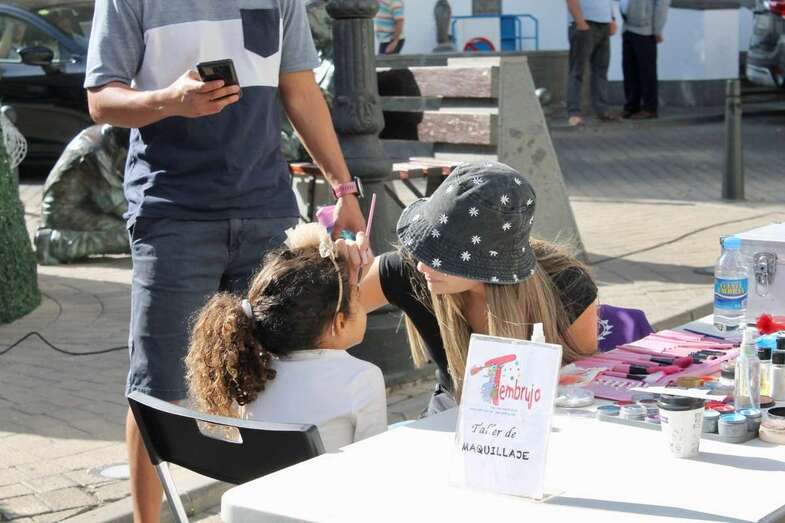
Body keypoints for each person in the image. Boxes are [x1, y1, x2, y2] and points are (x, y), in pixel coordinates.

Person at [84, 1, 366, 521]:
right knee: (158, 389)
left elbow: (301, 90)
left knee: (280, 373)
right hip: (171, 214)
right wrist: (171, 100)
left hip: (267, 210)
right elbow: (102, 100)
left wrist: (343, 188)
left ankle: (271, 512)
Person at [339, 161, 599, 410]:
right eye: (426, 246)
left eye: (443, 256)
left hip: (541, 417)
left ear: (488, 262)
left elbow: (578, 388)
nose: (422, 266)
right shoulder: (408, 269)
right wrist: (345, 274)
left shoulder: (567, 285)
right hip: (449, 411)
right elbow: (330, 323)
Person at [186, 223, 387, 452]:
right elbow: (372, 461)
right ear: (339, 323)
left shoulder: (252, 375)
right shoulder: (362, 378)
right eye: (358, 296)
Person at [35, 124, 130, 265]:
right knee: (131, 235)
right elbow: (115, 202)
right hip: (63, 213)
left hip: (84, 204)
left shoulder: (103, 136)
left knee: (137, 230)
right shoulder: (94, 152)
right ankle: (54, 244)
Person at [565, 0, 619, 127]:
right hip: (584, 23)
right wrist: (580, 22)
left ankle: (602, 111)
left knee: (601, 71)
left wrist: (611, 19)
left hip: (604, 25)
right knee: (577, 71)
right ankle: (574, 113)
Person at [620, 0, 670, 120]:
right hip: (627, 27)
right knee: (629, 70)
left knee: (647, 71)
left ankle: (650, 108)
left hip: (645, 30)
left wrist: (657, 30)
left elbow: (662, 4)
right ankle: (631, 106)